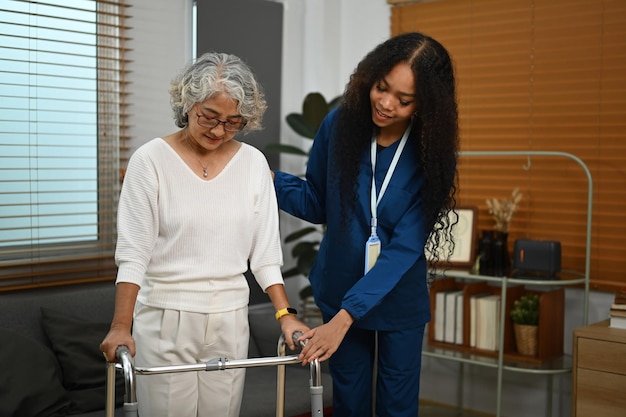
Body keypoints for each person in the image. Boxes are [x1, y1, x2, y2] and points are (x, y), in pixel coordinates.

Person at [100, 52, 309, 417]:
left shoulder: (253, 164)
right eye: (208, 118)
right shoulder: (150, 161)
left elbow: (266, 254)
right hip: (166, 315)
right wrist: (121, 326)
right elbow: (134, 253)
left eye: (232, 123)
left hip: (230, 315)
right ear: (187, 103)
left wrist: (285, 314)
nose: (217, 131)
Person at [273, 32, 459, 417]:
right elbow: (317, 201)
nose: (386, 104)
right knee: (349, 404)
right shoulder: (339, 125)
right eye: (381, 88)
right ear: (370, 78)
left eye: (404, 100)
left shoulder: (431, 154)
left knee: (396, 407)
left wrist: (345, 318)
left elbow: (404, 249)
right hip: (339, 288)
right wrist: (256, 175)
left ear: (425, 105)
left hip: (396, 300)